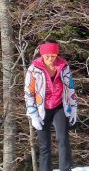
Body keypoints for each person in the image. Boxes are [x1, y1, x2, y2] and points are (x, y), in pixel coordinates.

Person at [24, 40, 78, 171]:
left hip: (59, 107)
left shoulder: (64, 67)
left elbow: (70, 89)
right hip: (41, 110)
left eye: (53, 56)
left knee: (63, 140)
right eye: (47, 55)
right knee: (44, 146)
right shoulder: (33, 69)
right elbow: (28, 94)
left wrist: (74, 109)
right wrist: (33, 115)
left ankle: (65, 169)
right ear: (42, 54)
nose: (50, 59)